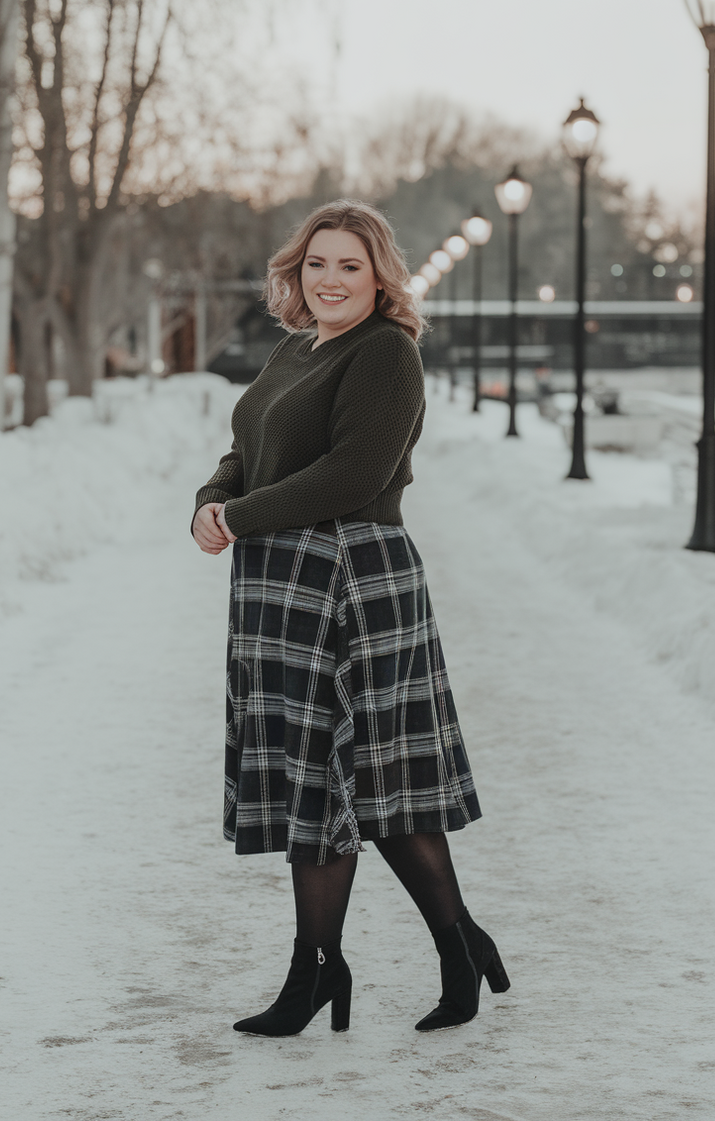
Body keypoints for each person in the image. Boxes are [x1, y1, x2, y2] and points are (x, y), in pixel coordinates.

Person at [191, 200, 509, 1037]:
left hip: (352, 580)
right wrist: (212, 501)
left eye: (350, 267)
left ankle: (353, 969)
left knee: (356, 783)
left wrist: (243, 517)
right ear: (295, 272)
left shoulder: (386, 355)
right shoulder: (297, 349)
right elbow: (248, 445)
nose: (330, 281)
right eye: (318, 265)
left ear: (380, 280)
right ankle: (431, 949)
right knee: (323, 780)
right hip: (280, 584)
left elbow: (354, 474)